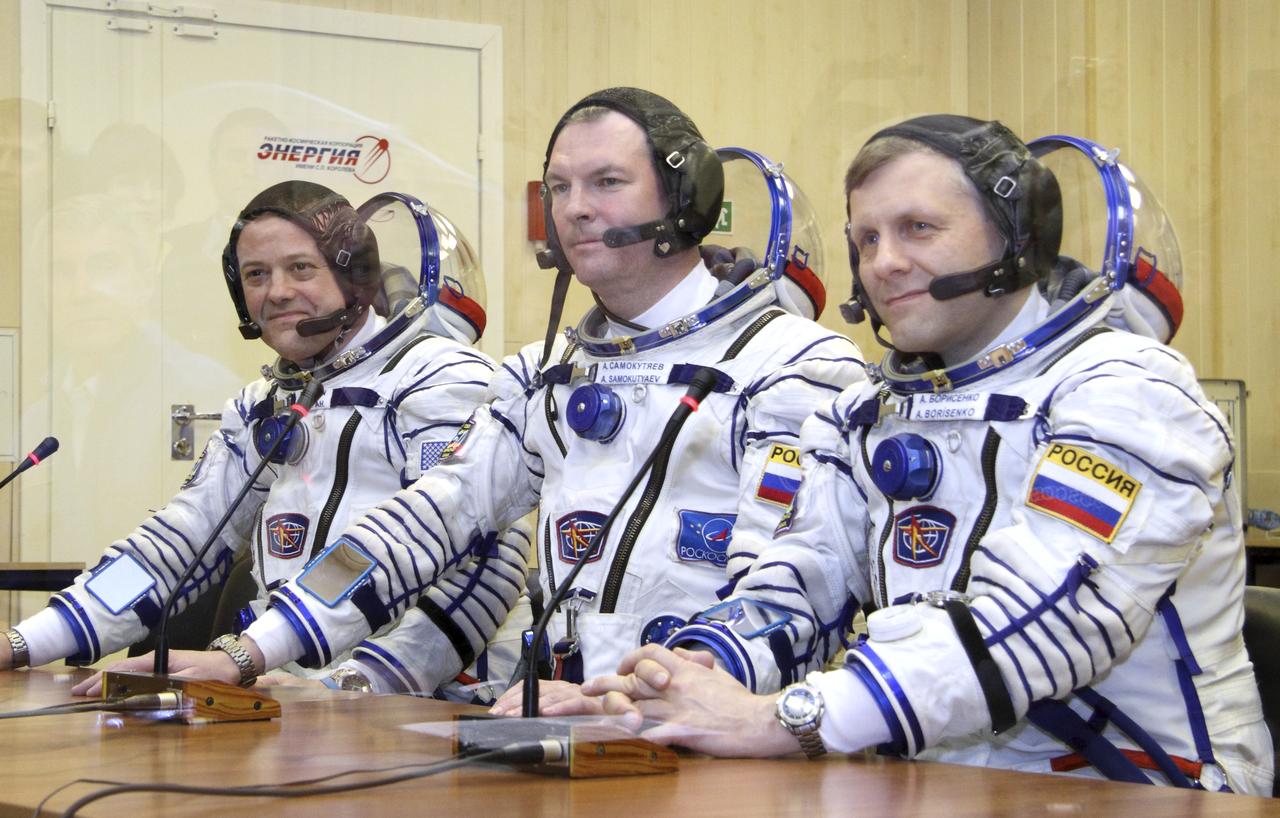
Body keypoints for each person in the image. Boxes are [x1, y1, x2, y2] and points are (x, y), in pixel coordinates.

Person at [584, 115, 1274, 796]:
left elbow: (1046, 621)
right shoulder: (860, 413)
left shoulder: (1130, 392)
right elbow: (795, 585)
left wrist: (786, 717)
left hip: (1146, 787)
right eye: (866, 239)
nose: (883, 263)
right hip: (936, 780)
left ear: (1015, 234)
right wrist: (676, 681)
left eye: (918, 228)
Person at [130, 87, 865, 710]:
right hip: (560, 726)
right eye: (561, 188)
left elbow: (788, 587)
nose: (574, 210)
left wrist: (652, 693)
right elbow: (417, 526)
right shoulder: (536, 375)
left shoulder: (798, 365)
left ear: (685, 198)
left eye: (607, 183)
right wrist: (252, 650)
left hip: (718, 740)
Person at [0, 181, 528, 699]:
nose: (276, 292)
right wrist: (24, 642)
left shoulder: (445, 379)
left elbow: (485, 568)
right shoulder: (263, 403)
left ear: (354, 275)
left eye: (300, 268)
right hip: (291, 696)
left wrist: (356, 685)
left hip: (432, 708)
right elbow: (175, 547)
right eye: (257, 275)